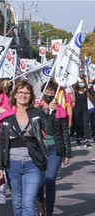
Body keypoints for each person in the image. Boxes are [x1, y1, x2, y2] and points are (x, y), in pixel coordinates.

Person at [0, 81, 56, 216]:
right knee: (17, 203)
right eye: (21, 92)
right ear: (15, 95)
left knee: (28, 204)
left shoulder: (36, 112)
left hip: (33, 164)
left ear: (31, 96)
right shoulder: (7, 115)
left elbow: (50, 130)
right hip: (12, 165)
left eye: (27, 93)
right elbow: (0, 143)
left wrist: (51, 112)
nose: (23, 95)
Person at [36, 81, 71, 216]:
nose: (49, 96)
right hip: (38, 150)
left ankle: (49, 211)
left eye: (52, 93)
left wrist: (67, 153)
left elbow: (64, 132)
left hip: (54, 149)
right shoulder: (36, 108)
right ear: (42, 92)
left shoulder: (60, 110)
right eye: (47, 93)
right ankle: (40, 203)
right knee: (38, 181)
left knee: (49, 180)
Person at [72, 76, 92, 147]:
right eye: (80, 82)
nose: (81, 84)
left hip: (85, 109)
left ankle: (87, 139)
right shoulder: (75, 91)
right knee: (78, 124)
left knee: (86, 124)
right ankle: (78, 138)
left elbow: (91, 99)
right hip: (77, 109)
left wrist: (89, 95)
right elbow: (73, 101)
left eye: (83, 82)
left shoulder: (87, 90)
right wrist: (73, 94)